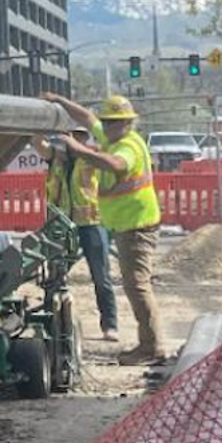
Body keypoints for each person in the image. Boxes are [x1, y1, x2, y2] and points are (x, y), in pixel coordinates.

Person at [45, 92, 164, 364]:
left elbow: (115, 165)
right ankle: (149, 343)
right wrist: (60, 101)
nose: (108, 126)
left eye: (114, 122)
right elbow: (87, 118)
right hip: (126, 225)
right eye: (107, 122)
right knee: (135, 285)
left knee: (137, 285)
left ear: (127, 123)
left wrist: (79, 150)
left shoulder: (127, 147)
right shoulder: (111, 139)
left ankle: (151, 346)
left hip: (137, 225)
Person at [41, 127, 120, 342]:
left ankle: (110, 325)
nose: (75, 139)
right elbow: (38, 145)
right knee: (55, 276)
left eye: (79, 135)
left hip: (91, 223)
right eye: (71, 135)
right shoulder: (56, 159)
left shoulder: (92, 158)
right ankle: (51, 323)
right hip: (63, 225)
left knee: (101, 276)